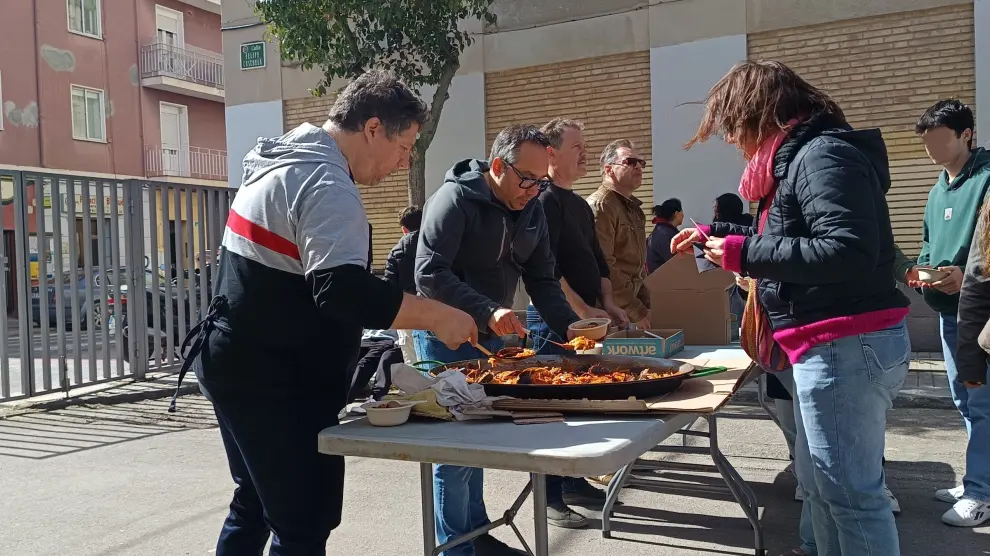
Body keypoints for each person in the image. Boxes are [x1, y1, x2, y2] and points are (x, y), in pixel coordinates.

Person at [182, 70, 478, 556]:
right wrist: (436, 316)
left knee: (253, 502)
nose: (404, 163)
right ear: (373, 128)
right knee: (302, 524)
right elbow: (340, 290)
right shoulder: (326, 182)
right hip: (273, 378)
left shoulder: (281, 162)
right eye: (405, 147)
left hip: (233, 359)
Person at [672, 60, 911, 556]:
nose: (732, 139)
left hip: (844, 341)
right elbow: (788, 233)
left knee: (849, 497)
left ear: (761, 114)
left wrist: (744, 254)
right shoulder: (799, 157)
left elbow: (846, 248)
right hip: (830, 343)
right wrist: (719, 234)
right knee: (821, 488)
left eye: (733, 126)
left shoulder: (822, 156)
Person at [414, 124, 581, 556]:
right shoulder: (454, 199)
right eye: (527, 179)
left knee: (478, 438)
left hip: (493, 335)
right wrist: (487, 309)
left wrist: (572, 329)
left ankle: (476, 535)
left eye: (541, 181)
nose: (534, 189)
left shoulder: (532, 207)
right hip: (446, 335)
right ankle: (456, 548)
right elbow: (429, 273)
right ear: (498, 166)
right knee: (455, 448)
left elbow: (542, 277)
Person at [525, 118, 628, 529]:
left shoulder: (580, 205)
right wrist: (581, 311)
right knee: (550, 410)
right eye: (577, 147)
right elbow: (546, 269)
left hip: (586, 318)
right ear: (551, 154)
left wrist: (607, 303)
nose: (586, 153)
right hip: (554, 320)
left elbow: (598, 261)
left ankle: (571, 482)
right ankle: (549, 497)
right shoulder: (544, 200)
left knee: (576, 406)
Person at [902, 99, 990, 527]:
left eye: (939, 140)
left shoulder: (987, 178)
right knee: (965, 400)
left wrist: (965, 274)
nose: (931, 150)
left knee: (983, 401)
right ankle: (979, 476)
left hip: (982, 314)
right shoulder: (938, 190)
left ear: (966, 135)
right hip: (947, 312)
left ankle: (981, 492)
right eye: (926, 142)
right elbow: (927, 243)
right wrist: (923, 270)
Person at [588, 140, 652, 329]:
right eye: (630, 162)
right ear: (608, 169)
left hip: (628, 310)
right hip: (608, 313)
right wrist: (637, 310)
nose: (638, 166)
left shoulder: (634, 209)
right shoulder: (601, 206)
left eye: (641, 162)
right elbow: (604, 265)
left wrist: (646, 304)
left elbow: (637, 268)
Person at [385, 205, 423, 364]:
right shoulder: (436, 245)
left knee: (413, 361)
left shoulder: (395, 252)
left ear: (404, 229)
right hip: (436, 308)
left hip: (406, 311)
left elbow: (389, 287)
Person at [646, 198, 683, 273]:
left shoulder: (662, 229)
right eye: (682, 212)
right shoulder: (665, 234)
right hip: (662, 277)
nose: (683, 215)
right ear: (676, 214)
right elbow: (677, 262)